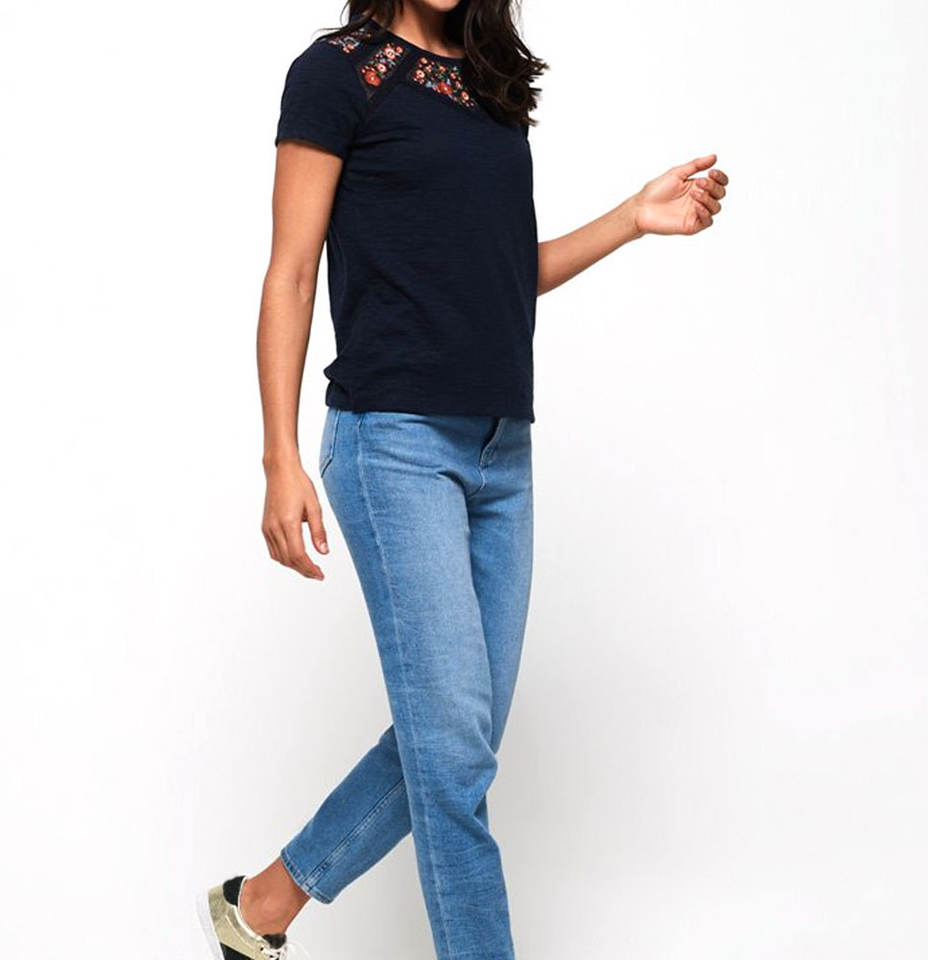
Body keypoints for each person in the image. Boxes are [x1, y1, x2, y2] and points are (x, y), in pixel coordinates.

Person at [197, 2, 729, 959]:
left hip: (502, 455)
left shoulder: (490, 84)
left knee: (456, 746)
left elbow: (498, 273)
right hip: (394, 446)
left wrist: (630, 220)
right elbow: (292, 271)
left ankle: (263, 904)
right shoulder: (339, 72)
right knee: (453, 766)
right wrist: (280, 458)